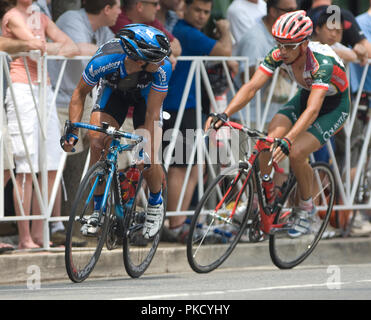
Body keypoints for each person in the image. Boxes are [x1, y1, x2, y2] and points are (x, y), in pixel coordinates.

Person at [206, 10, 350, 238]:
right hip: (306, 96)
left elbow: (314, 109)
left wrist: (289, 140)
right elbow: (252, 87)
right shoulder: (280, 54)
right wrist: (224, 114)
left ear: (303, 45)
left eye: (288, 46)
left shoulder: (322, 64)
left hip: (332, 107)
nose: (281, 51)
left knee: (296, 152)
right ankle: (259, 201)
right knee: (266, 142)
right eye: (279, 44)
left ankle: (306, 209)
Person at [60, 24, 172, 240]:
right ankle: (97, 210)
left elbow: (151, 114)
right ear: (140, 60)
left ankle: (156, 203)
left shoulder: (161, 69)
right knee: (97, 143)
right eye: (157, 59)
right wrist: (72, 129)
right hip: (114, 93)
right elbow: (79, 94)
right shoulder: (105, 60)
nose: (162, 62)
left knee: (146, 157)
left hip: (146, 101)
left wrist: (144, 146)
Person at [2, 0, 80, 249]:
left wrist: (49, 47)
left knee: (50, 162)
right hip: (22, 87)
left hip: (44, 87)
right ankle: (25, 234)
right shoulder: (13, 14)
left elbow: (70, 46)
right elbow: (36, 47)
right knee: (26, 162)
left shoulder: (41, 17)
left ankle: (39, 232)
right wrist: (49, 47)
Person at [47, 0, 121, 245]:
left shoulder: (101, 29)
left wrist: (97, 51)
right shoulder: (72, 20)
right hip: (60, 98)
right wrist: (100, 53)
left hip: (82, 96)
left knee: (103, 143)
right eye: (118, 7)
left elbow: (114, 50)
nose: (121, 12)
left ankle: (96, 215)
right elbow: (86, 64)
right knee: (53, 163)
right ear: (107, 8)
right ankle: (54, 225)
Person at [161, 0, 233, 241]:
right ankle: (175, 222)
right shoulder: (185, 31)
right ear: (186, 9)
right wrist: (225, 30)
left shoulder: (188, 31)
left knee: (195, 165)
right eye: (198, 11)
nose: (202, 16)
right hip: (178, 105)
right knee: (181, 165)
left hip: (190, 105)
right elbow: (225, 51)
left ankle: (179, 219)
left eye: (206, 12)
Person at [234, 0, 297, 127]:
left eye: (296, 10)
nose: (294, 16)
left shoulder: (286, 36)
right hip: (248, 118)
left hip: (272, 116)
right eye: (289, 11)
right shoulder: (255, 38)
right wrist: (274, 68)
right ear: (273, 11)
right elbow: (246, 76)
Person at [110, 0, 181, 69]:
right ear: (140, 6)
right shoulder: (119, 19)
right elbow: (138, 47)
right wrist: (167, 52)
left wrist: (158, 51)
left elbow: (177, 47)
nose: (158, 7)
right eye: (155, 4)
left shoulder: (150, 20)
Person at [307, 0, 370, 66]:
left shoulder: (336, 45)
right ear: (318, 29)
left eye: (338, 31)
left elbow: (352, 55)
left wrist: (361, 52)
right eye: (330, 29)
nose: (333, 34)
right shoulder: (307, 45)